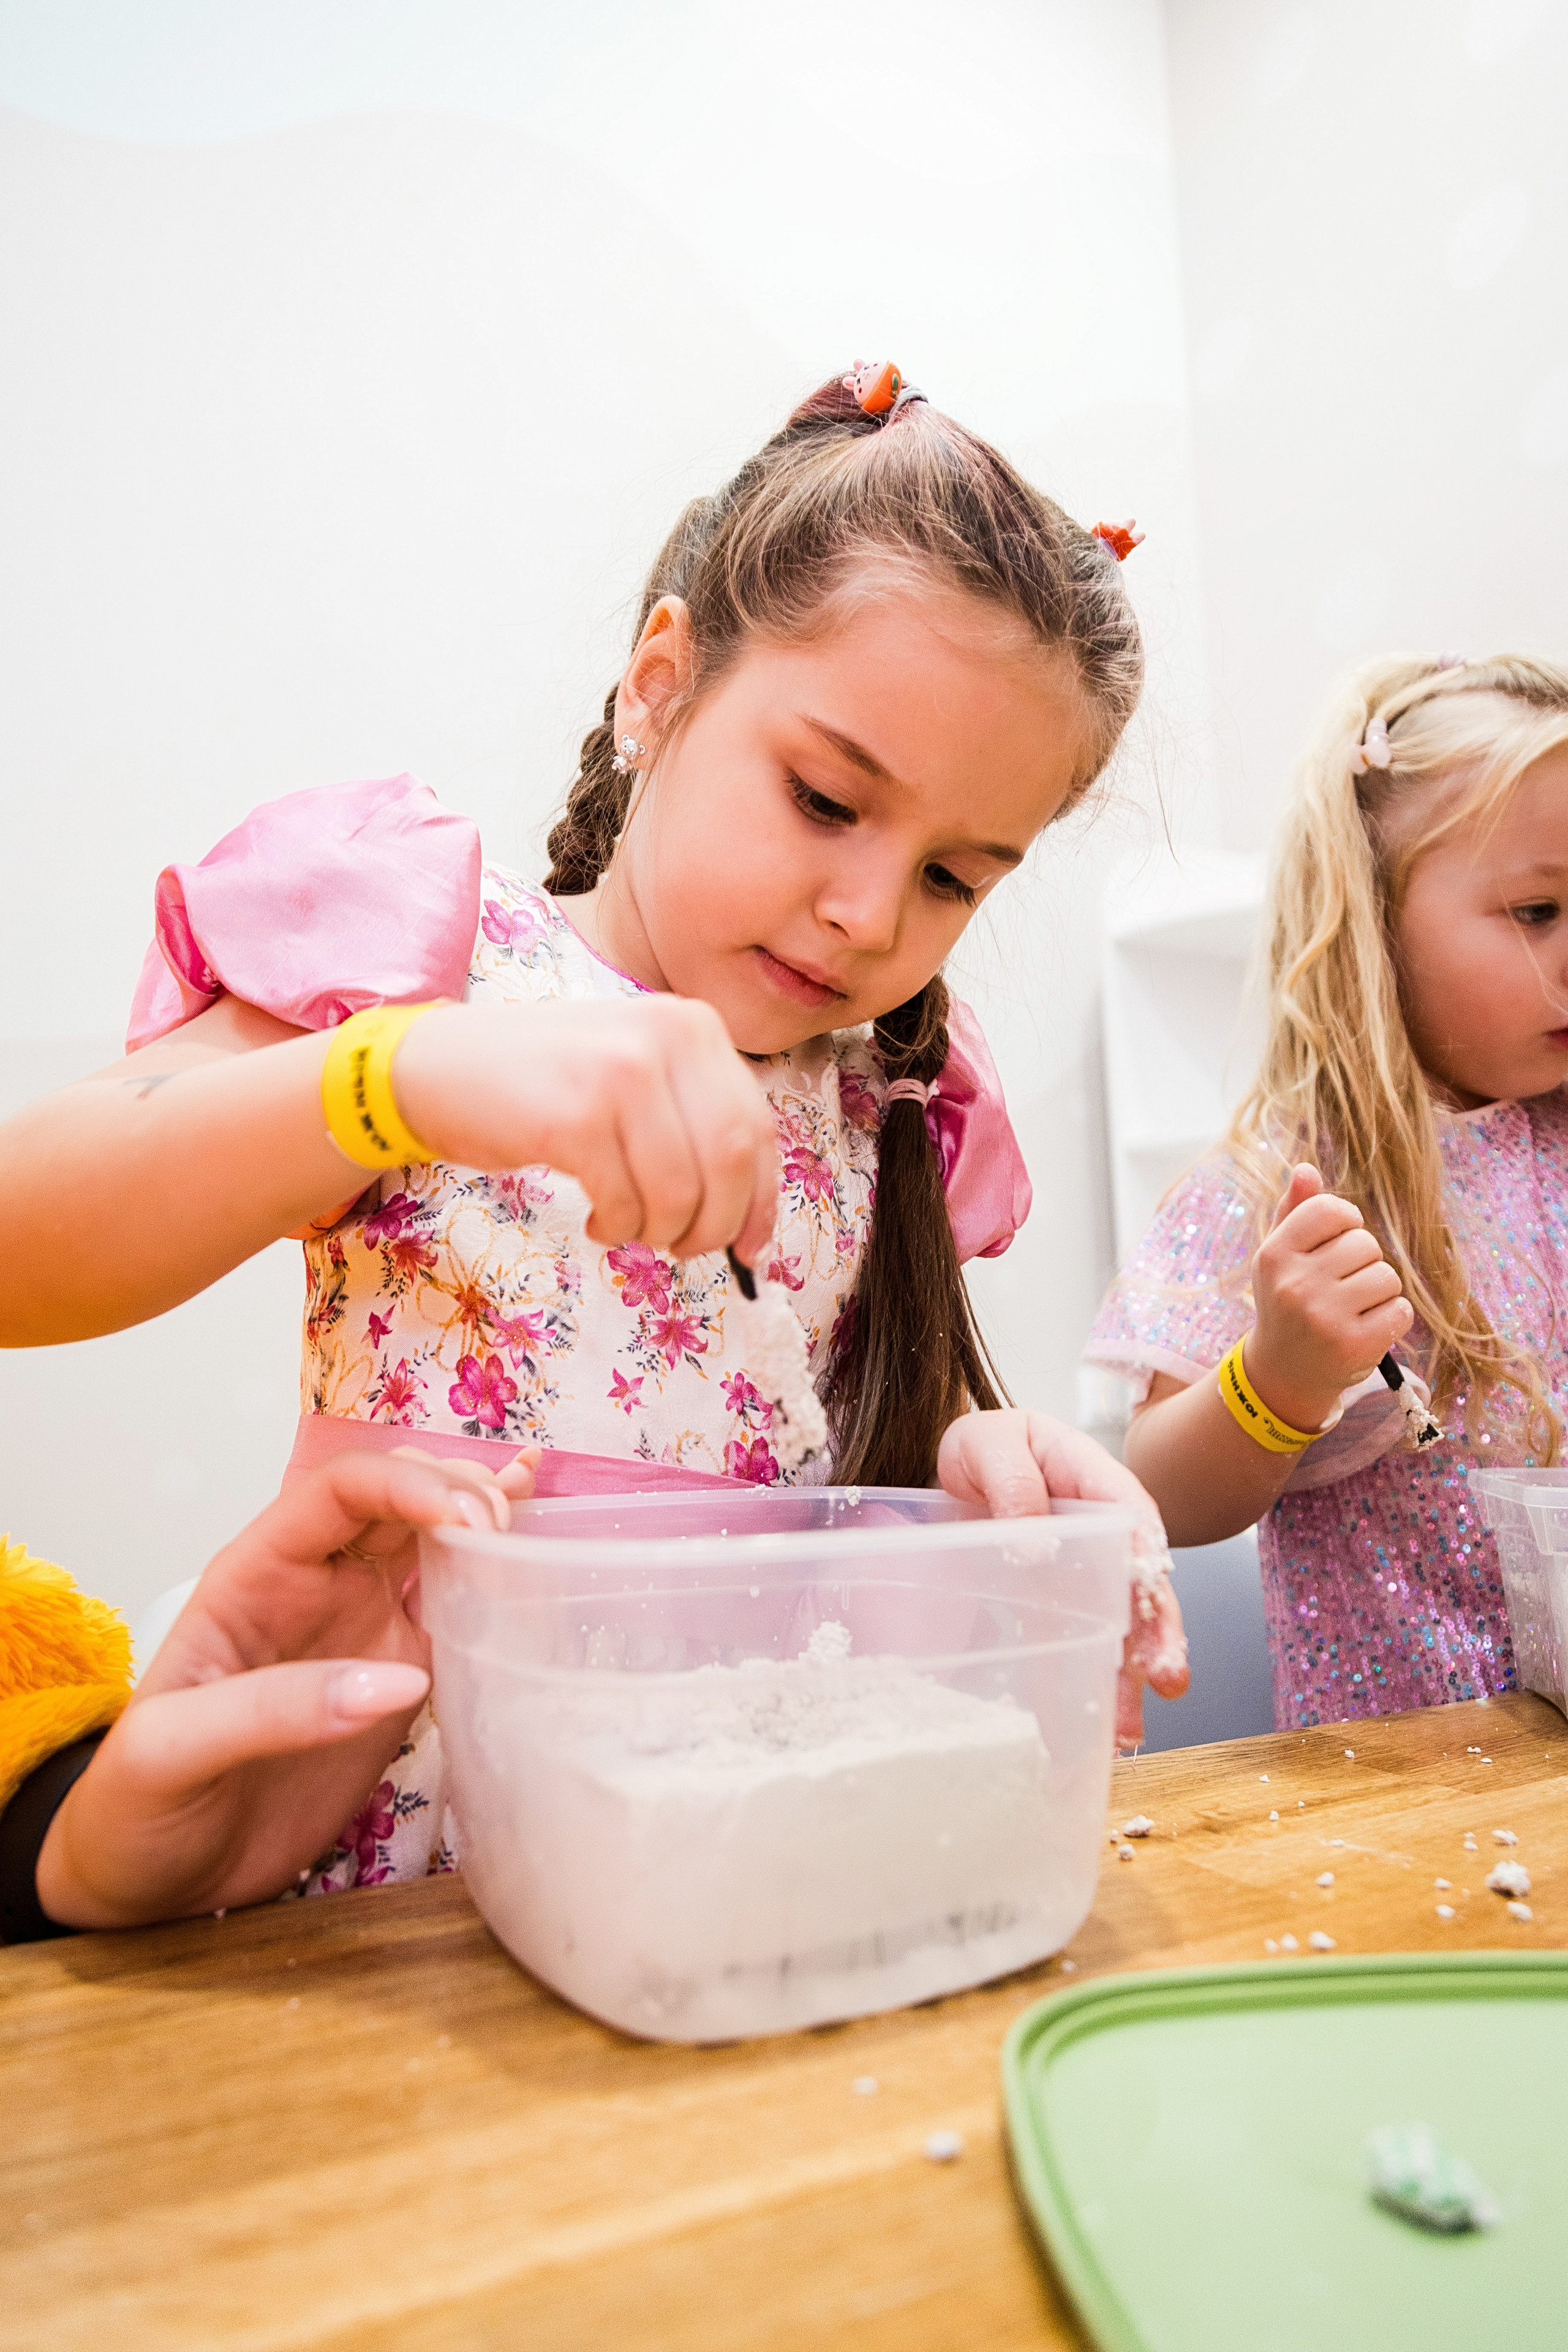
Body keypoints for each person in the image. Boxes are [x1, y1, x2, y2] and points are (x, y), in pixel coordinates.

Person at [1, 366, 1188, 1923]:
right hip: (374, 1853)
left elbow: (863, 1446)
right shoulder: (432, 965)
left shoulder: (895, 1099)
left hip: (727, 1864)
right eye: (826, 798)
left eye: (956, 876)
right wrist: (404, 1075)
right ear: (659, 685)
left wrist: (985, 1471)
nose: (869, 914)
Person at [1086, 652, 1568, 1729]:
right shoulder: (1282, 1187)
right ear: (1373, 925)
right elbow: (1157, 1489)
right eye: (1538, 910)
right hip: (1399, 1784)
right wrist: (1281, 1380)